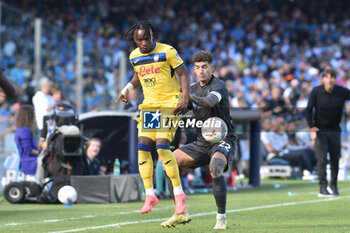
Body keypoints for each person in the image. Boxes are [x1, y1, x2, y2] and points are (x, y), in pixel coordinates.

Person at [116, 21, 190, 215]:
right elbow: (138, 75)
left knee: (162, 146)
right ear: (134, 40)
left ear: (152, 37)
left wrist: (185, 99)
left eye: (146, 39)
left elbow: (184, 75)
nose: (143, 43)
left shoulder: (168, 52)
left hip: (169, 103)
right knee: (142, 146)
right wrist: (127, 88)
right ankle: (150, 194)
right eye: (138, 40)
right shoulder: (134, 56)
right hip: (150, 105)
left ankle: (179, 194)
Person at [161, 51, 237, 229]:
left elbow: (209, 102)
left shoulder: (219, 86)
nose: (201, 71)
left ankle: (221, 217)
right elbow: (179, 108)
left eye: (204, 67)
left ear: (212, 67)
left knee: (215, 167)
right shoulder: (193, 88)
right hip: (201, 142)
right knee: (168, 163)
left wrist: (186, 95)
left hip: (223, 139)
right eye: (197, 68)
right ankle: (180, 212)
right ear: (193, 69)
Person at [305, 68, 350, 197]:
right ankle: (322, 187)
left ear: (335, 79)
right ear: (323, 79)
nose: (329, 80)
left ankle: (334, 186)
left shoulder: (341, 92)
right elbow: (308, 110)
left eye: (332, 77)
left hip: (335, 130)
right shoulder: (316, 92)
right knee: (322, 159)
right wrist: (311, 126)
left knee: (335, 159)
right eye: (326, 77)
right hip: (320, 130)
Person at [14, 105, 39, 176]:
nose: (34, 117)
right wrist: (41, 153)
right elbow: (29, 150)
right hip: (29, 162)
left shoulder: (21, 129)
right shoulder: (25, 130)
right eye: (33, 115)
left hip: (28, 160)